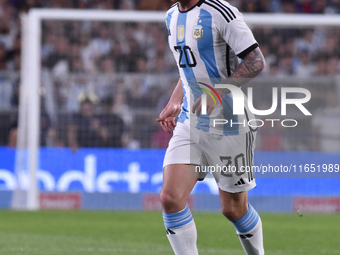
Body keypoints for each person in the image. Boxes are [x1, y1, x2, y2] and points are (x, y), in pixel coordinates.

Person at [157, 0, 266, 254]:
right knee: (170, 199)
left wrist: (216, 94)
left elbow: (256, 60)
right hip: (190, 120)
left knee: (233, 209)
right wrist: (177, 99)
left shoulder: (221, 12)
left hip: (230, 122)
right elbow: (190, 65)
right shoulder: (171, 16)